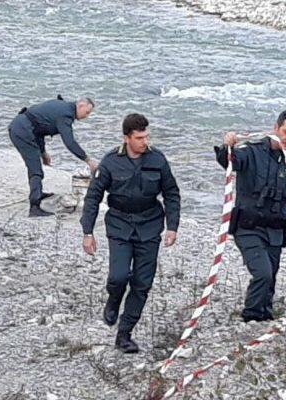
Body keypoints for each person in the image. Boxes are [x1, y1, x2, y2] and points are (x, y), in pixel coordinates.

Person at [80, 113, 180, 353]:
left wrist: (172, 226)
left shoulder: (157, 159)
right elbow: (93, 196)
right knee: (118, 276)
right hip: (120, 225)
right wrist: (88, 231)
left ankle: (124, 334)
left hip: (149, 225)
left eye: (146, 136)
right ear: (126, 138)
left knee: (142, 283)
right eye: (139, 138)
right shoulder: (110, 162)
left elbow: (171, 193)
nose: (144, 142)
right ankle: (113, 300)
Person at [214, 110, 286, 323]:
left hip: (276, 229)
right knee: (263, 273)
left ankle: (265, 316)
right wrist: (227, 146)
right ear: (275, 128)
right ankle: (250, 317)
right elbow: (229, 161)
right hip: (249, 227)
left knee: (270, 278)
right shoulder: (251, 152)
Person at [9, 96, 99, 217]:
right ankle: (34, 207)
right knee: (35, 169)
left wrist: (43, 152)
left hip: (24, 127)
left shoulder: (63, 107)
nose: (86, 116)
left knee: (36, 165)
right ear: (80, 105)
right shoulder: (66, 115)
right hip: (21, 130)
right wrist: (88, 160)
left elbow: (38, 128)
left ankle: (38, 193)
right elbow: (69, 142)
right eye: (87, 112)